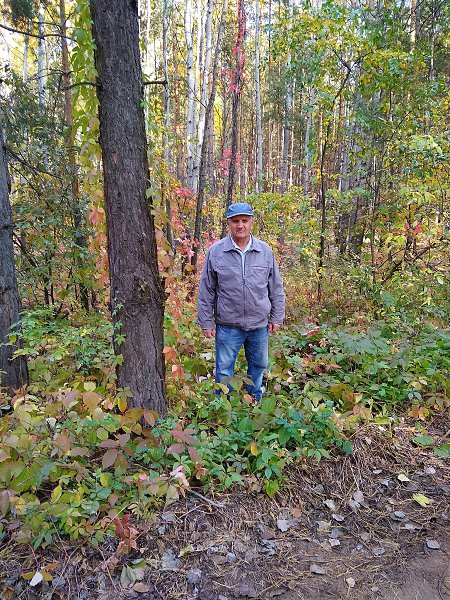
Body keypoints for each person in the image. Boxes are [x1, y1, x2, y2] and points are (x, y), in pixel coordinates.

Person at [197, 202, 285, 402]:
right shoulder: (216, 252)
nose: (240, 225)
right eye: (235, 221)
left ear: (251, 222)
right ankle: (223, 405)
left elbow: (276, 287)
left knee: (259, 365)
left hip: (259, 323)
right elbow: (206, 290)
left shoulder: (265, 251)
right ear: (228, 223)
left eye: (245, 220)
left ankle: (255, 400)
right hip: (228, 324)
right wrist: (206, 322)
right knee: (224, 369)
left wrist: (277, 317)